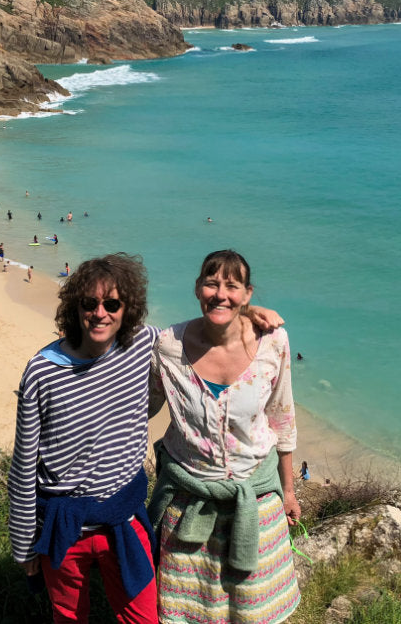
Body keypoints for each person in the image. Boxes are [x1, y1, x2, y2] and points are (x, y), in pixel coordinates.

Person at [8, 254, 282, 624]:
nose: (100, 313)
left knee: (143, 618)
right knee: (68, 617)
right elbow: (23, 467)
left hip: (124, 517)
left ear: (128, 309)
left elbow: (209, 327)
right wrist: (24, 546)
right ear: (75, 307)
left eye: (112, 304)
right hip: (62, 523)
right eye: (89, 303)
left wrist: (247, 312)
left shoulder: (144, 345)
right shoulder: (42, 371)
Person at [148, 249, 301, 624]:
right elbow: (142, 408)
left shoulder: (273, 343)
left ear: (248, 294)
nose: (220, 294)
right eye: (211, 283)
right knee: (187, 609)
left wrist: (290, 489)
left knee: (253, 610)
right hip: (188, 498)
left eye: (232, 286)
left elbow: (282, 417)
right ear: (197, 289)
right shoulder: (167, 345)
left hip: (255, 497)